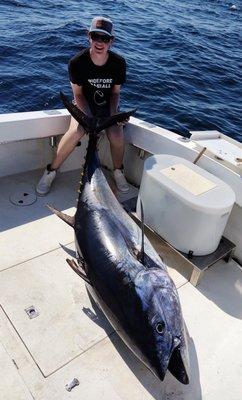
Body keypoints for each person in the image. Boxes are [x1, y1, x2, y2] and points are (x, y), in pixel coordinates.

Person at [36, 16, 129, 196]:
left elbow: (115, 93)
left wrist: (111, 117)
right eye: (96, 36)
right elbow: (78, 95)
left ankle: (118, 171)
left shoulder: (119, 63)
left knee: (117, 135)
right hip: (83, 105)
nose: (99, 42)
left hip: (107, 107)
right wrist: (88, 118)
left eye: (105, 38)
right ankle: (51, 170)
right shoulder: (77, 63)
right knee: (77, 131)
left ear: (112, 41)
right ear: (89, 36)